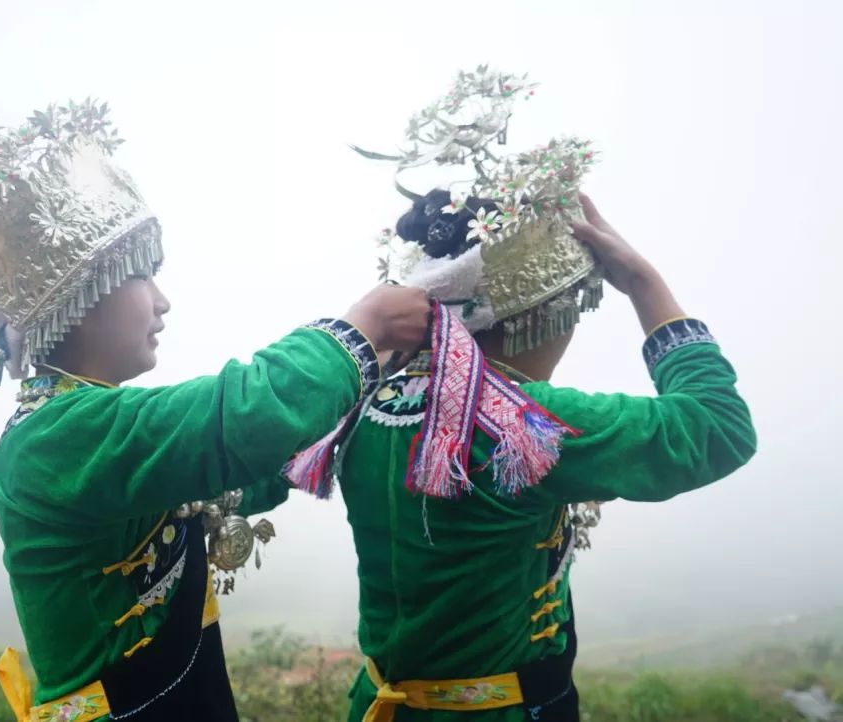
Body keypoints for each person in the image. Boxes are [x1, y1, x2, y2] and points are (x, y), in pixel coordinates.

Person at [0, 72, 431, 722]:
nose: (163, 300)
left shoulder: (91, 427)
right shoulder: (55, 440)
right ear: (81, 295)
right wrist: (361, 329)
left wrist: (370, 370)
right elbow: (243, 416)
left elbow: (240, 472)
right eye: (142, 272)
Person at [284, 68, 757, 722]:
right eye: (579, 304)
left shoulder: (363, 406)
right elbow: (719, 429)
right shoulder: (526, 425)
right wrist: (648, 285)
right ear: (547, 313)